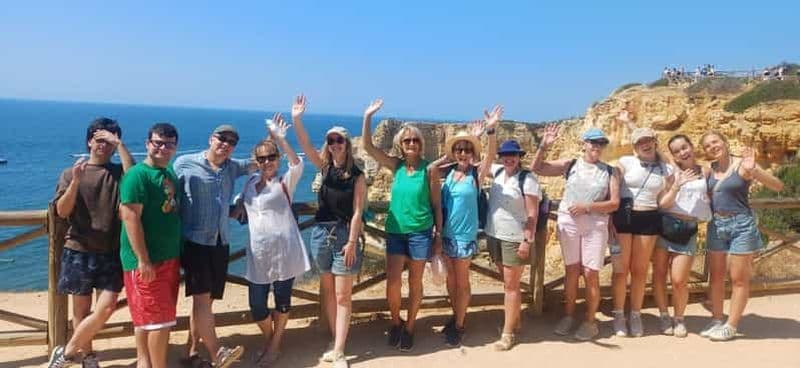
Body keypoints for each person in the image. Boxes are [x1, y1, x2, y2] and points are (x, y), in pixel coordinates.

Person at [47, 118, 134, 368]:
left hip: (111, 252)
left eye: (110, 141)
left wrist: (120, 144)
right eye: (100, 140)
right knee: (81, 313)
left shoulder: (118, 173)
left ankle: (67, 353)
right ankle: (87, 356)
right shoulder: (70, 173)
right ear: (89, 142)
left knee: (105, 309)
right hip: (79, 251)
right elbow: (62, 211)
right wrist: (75, 180)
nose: (104, 146)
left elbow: (134, 174)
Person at [291, 95, 367, 368]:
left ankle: (339, 351)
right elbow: (304, 144)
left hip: (345, 236)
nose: (335, 145)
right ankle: (336, 343)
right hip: (321, 235)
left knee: (343, 295)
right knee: (328, 292)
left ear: (347, 144)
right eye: (331, 141)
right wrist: (297, 118)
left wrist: (351, 241)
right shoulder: (323, 168)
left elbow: (358, 211)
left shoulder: (357, 175)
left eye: (339, 140)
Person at [231, 113, 311, 366]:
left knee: (283, 302)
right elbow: (238, 208)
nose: (267, 162)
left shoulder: (285, 181)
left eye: (272, 157)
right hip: (259, 255)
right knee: (257, 306)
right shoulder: (250, 182)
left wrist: (281, 139)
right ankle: (272, 340)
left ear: (277, 160)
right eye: (262, 158)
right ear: (257, 161)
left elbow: (297, 163)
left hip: (286, 252)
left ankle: (274, 346)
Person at [361, 98, 439, 352]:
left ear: (421, 144)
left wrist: (438, 235)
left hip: (420, 232)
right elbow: (368, 146)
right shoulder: (395, 166)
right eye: (407, 141)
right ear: (401, 145)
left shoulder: (429, 170)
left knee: (415, 283)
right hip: (395, 232)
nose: (412, 144)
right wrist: (367, 117)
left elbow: (437, 205)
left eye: (415, 140)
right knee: (393, 283)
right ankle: (395, 322)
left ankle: (410, 327)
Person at [532, 125, 619, 341]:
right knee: (571, 271)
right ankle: (568, 316)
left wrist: (587, 206)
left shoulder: (610, 171)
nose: (597, 147)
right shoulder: (570, 164)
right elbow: (537, 168)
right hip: (569, 222)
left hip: (595, 225)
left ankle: (590, 322)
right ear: (584, 144)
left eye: (601, 143)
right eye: (593, 142)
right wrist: (544, 145)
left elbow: (615, 203)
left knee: (590, 273)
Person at [173, 124, 248, 367]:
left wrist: (274, 136)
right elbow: (169, 193)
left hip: (220, 241)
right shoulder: (185, 163)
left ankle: (190, 353)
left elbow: (261, 162)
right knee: (202, 300)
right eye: (222, 138)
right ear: (210, 138)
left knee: (204, 302)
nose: (225, 144)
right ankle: (217, 354)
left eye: (231, 142)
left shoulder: (232, 167)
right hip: (195, 242)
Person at [428, 109, 501, 347]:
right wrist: (449, 157)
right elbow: (429, 169)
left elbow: (490, 155)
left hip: (464, 238)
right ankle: (456, 317)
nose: (463, 153)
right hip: (446, 235)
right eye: (459, 149)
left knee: (462, 283)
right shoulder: (448, 173)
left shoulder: (476, 174)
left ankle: (459, 326)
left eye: (467, 150)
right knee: (451, 283)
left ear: (473, 153)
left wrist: (489, 132)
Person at [700, 131, 783, 341]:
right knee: (716, 277)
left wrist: (754, 169)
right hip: (716, 225)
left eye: (715, 141)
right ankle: (717, 319)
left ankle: (731, 325)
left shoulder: (743, 164)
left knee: (738, 278)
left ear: (724, 142)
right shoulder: (710, 170)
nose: (712, 147)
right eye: (707, 146)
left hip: (741, 225)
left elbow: (777, 185)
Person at [121, 123, 181, 368]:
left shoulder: (169, 174)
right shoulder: (137, 175)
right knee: (160, 321)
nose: (162, 148)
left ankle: (145, 363)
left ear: (175, 148)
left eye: (168, 144)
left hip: (169, 258)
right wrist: (143, 260)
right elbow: (130, 217)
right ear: (148, 144)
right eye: (157, 143)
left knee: (148, 319)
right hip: (147, 262)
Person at [483, 116, 543, 350]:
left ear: (519, 157)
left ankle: (507, 333)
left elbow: (532, 215)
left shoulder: (527, 180)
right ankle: (515, 322)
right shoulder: (497, 172)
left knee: (511, 286)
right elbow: (484, 162)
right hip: (494, 235)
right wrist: (489, 131)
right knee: (508, 283)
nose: (508, 158)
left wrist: (527, 241)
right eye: (505, 155)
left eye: (513, 155)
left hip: (514, 238)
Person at [612, 111, 671, 337]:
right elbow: (611, 178)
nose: (645, 145)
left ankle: (635, 315)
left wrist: (630, 123)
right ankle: (619, 315)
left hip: (649, 218)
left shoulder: (663, 167)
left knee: (639, 270)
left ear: (656, 143)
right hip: (625, 217)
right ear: (634, 147)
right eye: (640, 142)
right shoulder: (626, 161)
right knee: (621, 271)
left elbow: (670, 163)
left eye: (649, 141)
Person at [652, 134, 711, 338]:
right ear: (674, 156)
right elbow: (664, 203)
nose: (682, 152)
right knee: (659, 275)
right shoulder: (672, 171)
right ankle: (663, 315)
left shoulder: (705, 170)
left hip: (688, 228)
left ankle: (679, 318)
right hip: (666, 225)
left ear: (692, 146)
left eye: (684, 147)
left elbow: (714, 193)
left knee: (679, 280)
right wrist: (629, 124)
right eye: (677, 151)